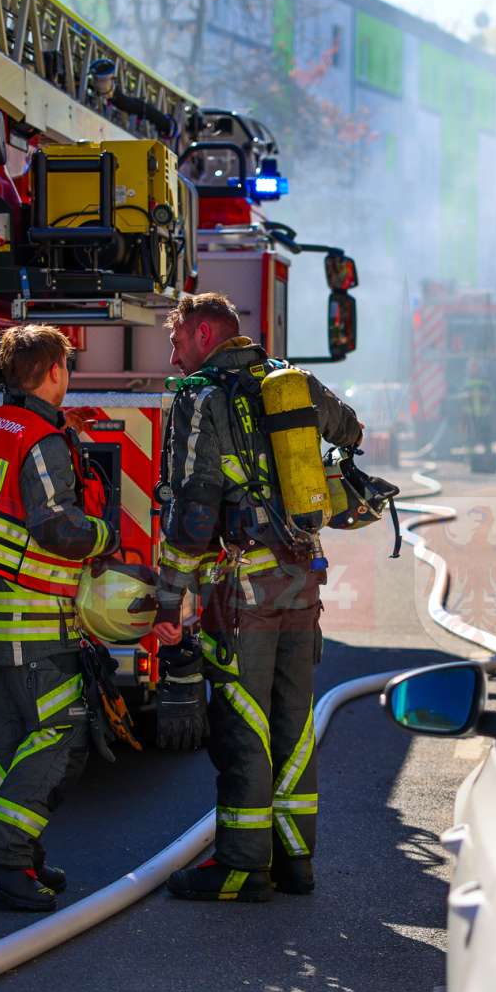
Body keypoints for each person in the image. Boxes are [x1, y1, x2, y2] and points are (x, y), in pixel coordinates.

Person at [153, 292, 362, 902]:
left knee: (243, 723)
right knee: (294, 720)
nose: (172, 354)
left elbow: (194, 513)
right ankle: (296, 861)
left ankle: (243, 867)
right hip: (302, 582)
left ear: (205, 332)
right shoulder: (289, 383)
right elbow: (351, 429)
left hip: (243, 590)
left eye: (176, 340)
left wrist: (170, 599)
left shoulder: (200, 396)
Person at [0, 324, 115, 912]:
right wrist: (106, 535)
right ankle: (2, 857)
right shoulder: (39, 438)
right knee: (61, 731)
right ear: (53, 372)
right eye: (66, 368)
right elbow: (57, 526)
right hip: (33, 619)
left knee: (12, 741)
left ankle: (18, 859)